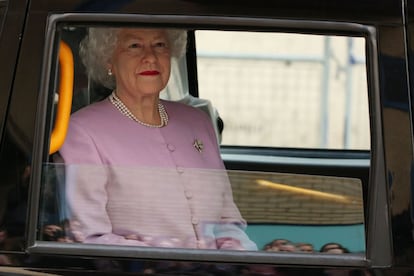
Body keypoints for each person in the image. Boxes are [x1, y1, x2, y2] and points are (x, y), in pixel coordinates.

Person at [58, 27, 257, 251]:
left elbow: (227, 221)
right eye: (134, 46)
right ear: (108, 60)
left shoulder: (197, 122)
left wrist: (235, 257)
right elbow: (89, 237)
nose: (150, 57)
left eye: (160, 45)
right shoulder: (82, 131)